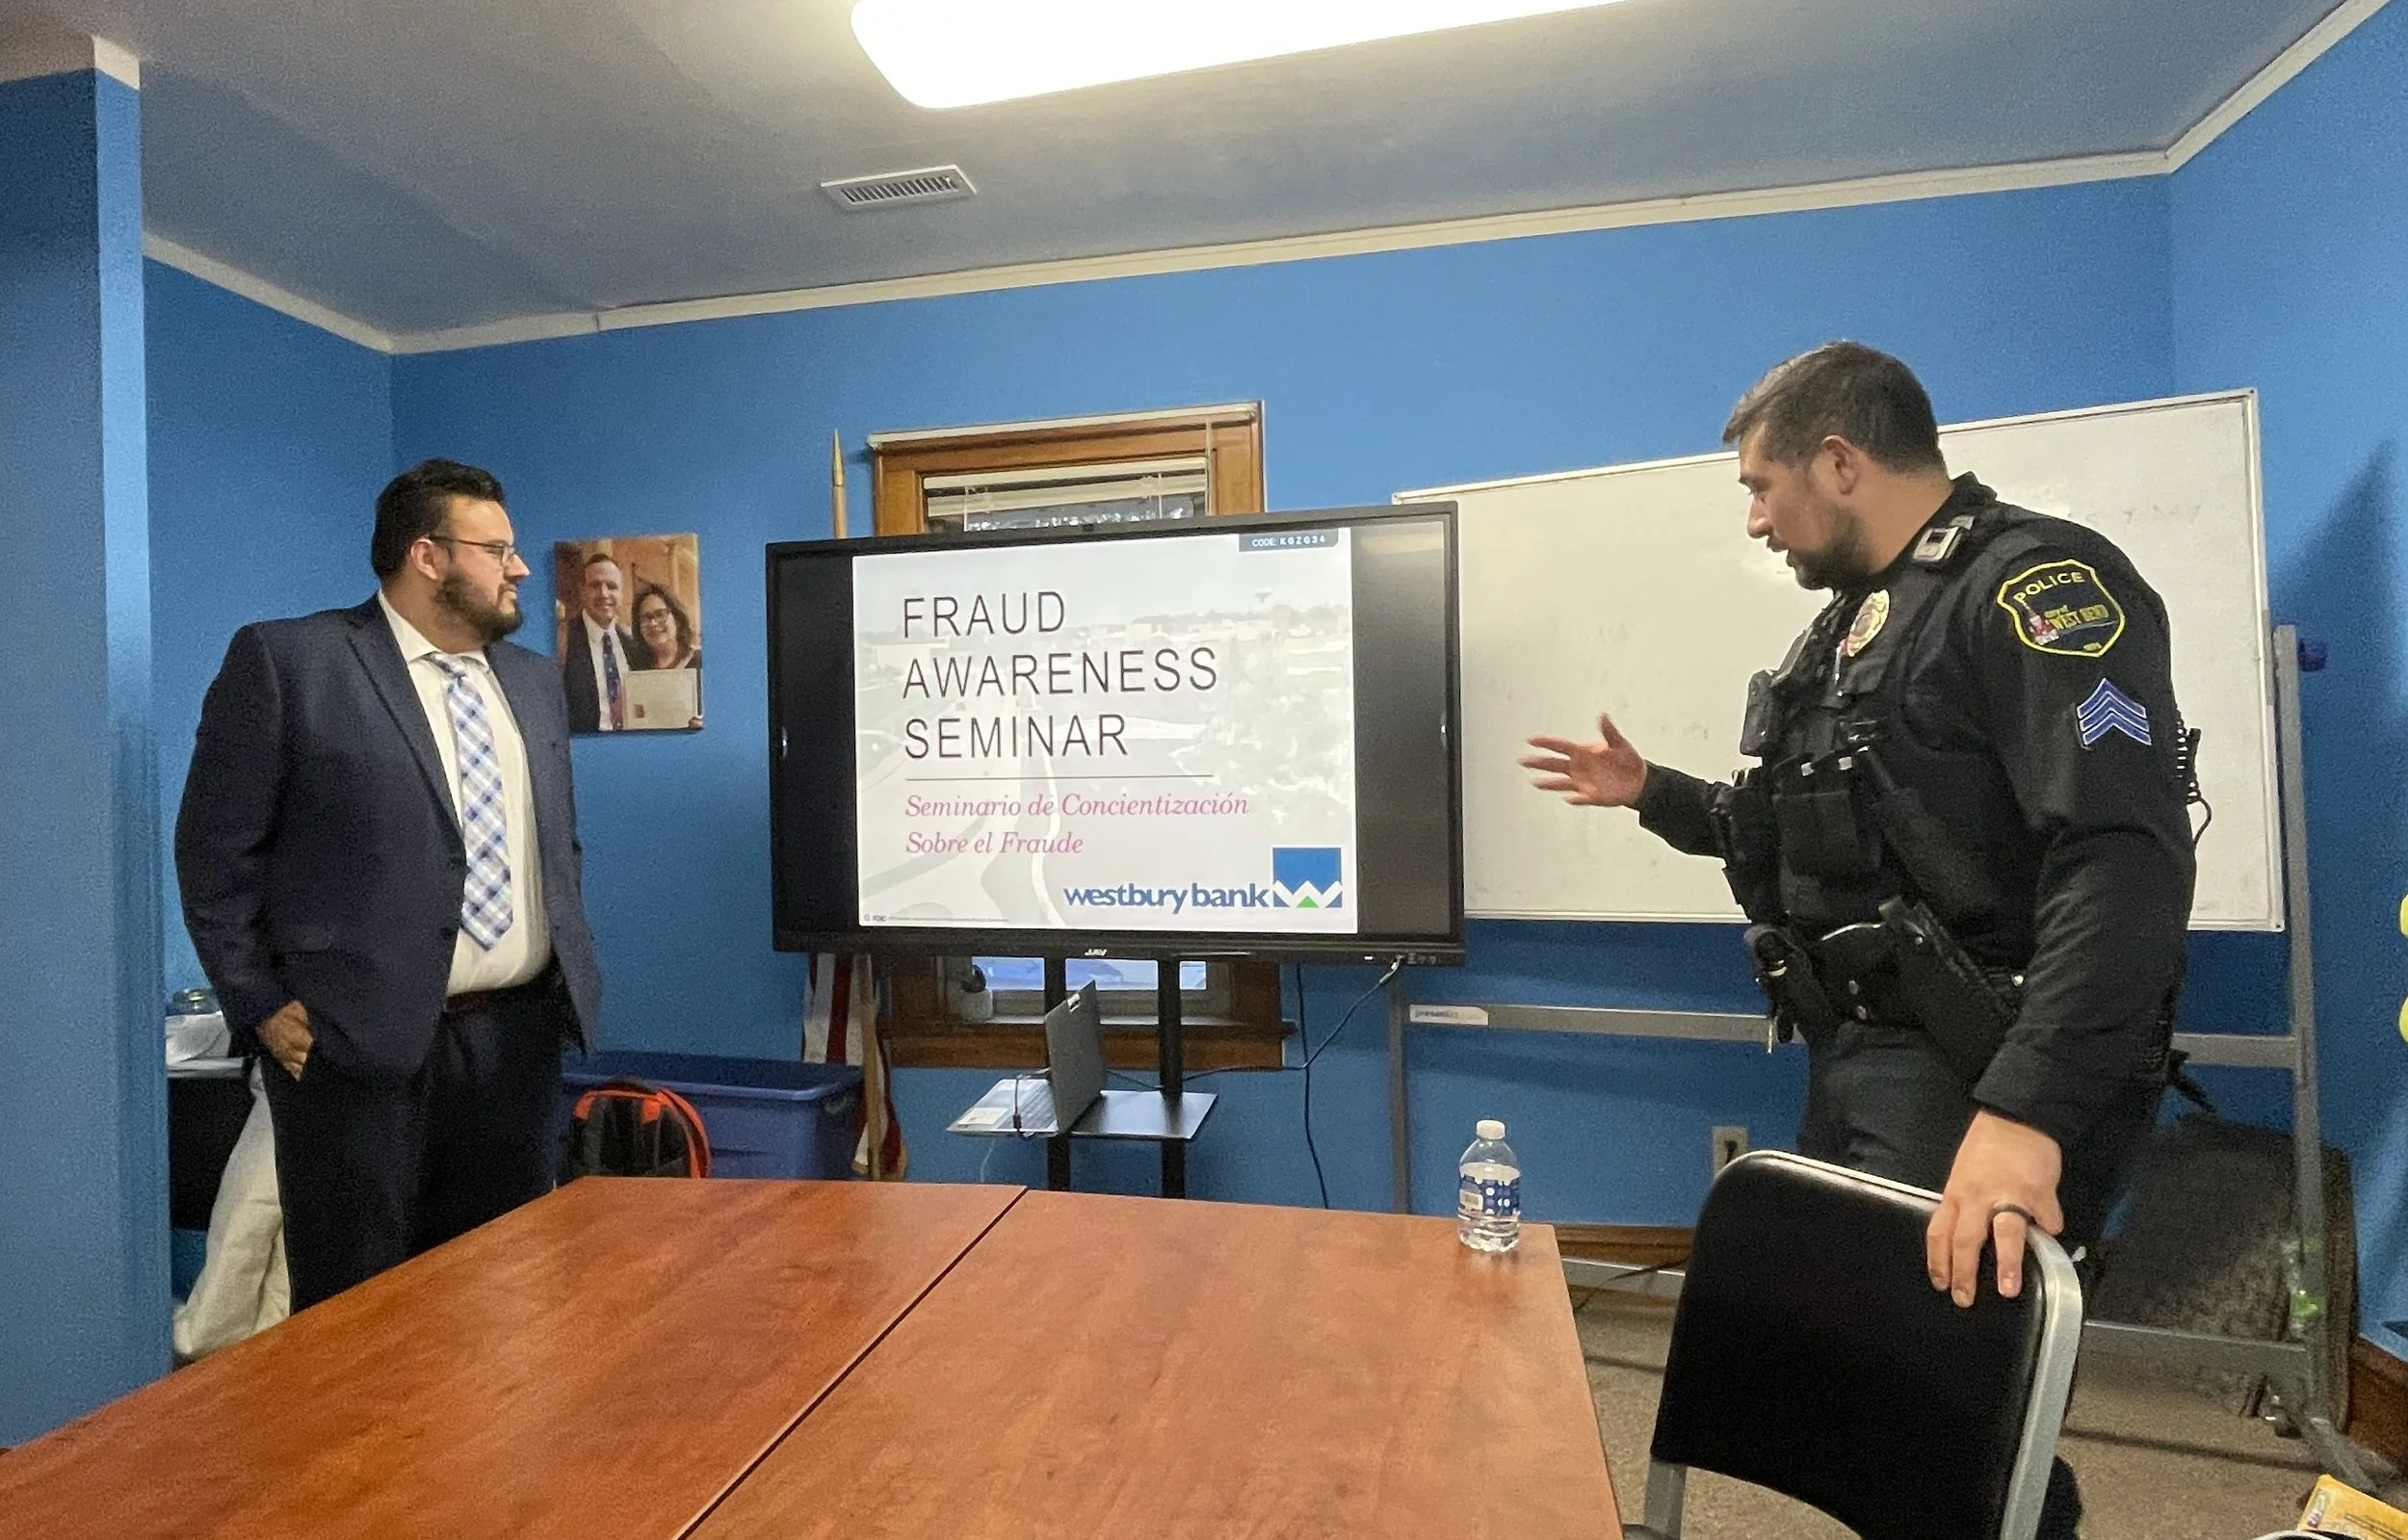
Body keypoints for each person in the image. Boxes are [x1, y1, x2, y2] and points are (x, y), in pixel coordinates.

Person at [1523, 342, 2195, 1538]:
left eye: (1760, 487)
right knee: (1878, 1393)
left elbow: (2122, 857)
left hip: (1981, 1070)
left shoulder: (2034, 588)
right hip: (1868, 1060)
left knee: (1955, 1412)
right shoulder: (1851, 630)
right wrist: (1654, 793)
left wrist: (2027, 1114)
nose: (1755, 519)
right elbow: (1808, 834)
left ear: (1837, 461)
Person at [175, 457, 604, 1312]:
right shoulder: (292, 662)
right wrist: (257, 1000)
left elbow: (553, 846)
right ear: (428, 555)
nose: (518, 568)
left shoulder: (530, 681)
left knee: (503, 1301)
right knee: (360, 1314)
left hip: (516, 1040)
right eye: (497, 549)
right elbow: (214, 853)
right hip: (353, 1049)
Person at [563, 551, 648, 731]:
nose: (604, 594)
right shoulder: (563, 639)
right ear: (583, 592)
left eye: (611, 586)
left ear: (622, 593)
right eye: (595, 586)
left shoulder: (634, 647)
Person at [632, 582, 701, 672]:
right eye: (646, 617)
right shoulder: (635, 668)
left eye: (660, 614)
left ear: (677, 619)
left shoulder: (702, 662)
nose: (653, 623)